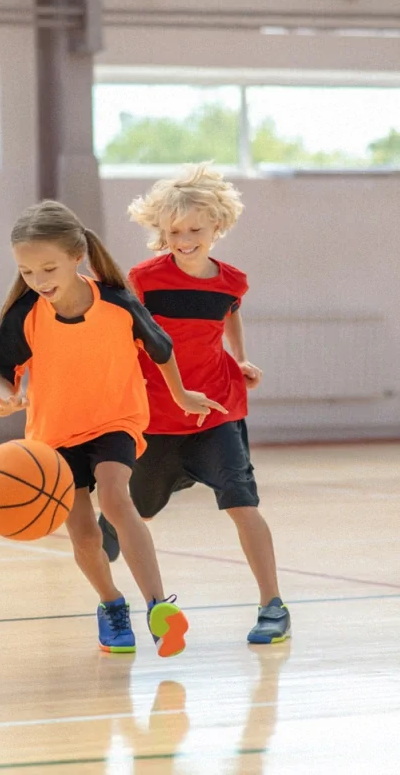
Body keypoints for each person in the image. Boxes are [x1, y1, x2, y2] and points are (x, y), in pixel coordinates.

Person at [0, 199, 227, 657]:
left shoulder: (117, 303)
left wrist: (182, 395)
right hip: (54, 436)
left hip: (115, 420)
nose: (39, 280)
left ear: (77, 257)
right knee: (85, 535)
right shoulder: (26, 313)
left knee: (115, 496)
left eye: (48, 268)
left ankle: (157, 606)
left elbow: (161, 349)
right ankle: (111, 604)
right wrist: (7, 394)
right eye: (28, 272)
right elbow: (3, 369)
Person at [98, 164, 291, 645]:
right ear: (162, 233)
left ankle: (273, 606)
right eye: (174, 231)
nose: (184, 239)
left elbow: (230, 317)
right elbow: (122, 338)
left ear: (217, 228)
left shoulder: (231, 282)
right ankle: (111, 603)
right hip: (156, 419)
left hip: (217, 412)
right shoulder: (143, 280)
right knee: (125, 521)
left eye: (195, 230)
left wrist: (242, 359)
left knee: (243, 504)